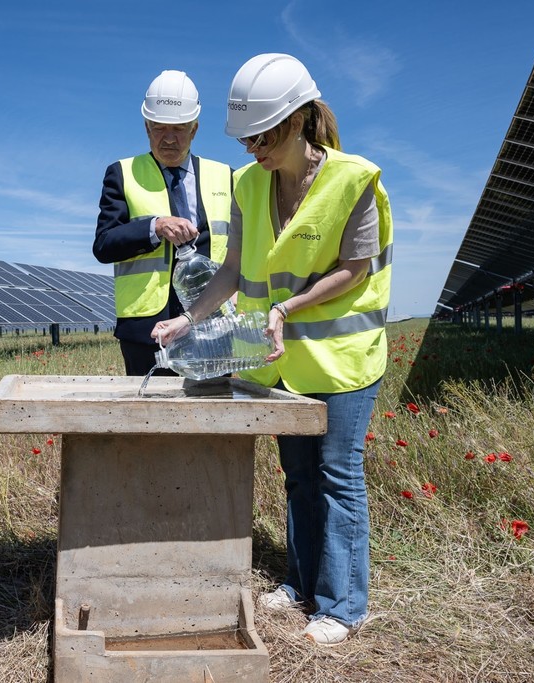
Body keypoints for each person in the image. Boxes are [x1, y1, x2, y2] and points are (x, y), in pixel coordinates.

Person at [152, 53, 393, 645]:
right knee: (298, 476)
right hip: (285, 361)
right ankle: (301, 583)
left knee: (337, 475)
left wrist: (286, 308)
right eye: (248, 138)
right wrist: (190, 318)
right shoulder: (249, 184)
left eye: (266, 134)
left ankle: (342, 606)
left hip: (345, 361)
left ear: (301, 119)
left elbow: (355, 270)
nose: (255, 147)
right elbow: (234, 266)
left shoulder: (353, 179)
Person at [93, 70, 233, 376]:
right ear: (146, 127)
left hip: (212, 324)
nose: (169, 138)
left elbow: (241, 248)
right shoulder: (122, 173)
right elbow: (104, 245)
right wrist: (153, 228)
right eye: (159, 128)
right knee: (149, 421)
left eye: (180, 129)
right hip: (146, 331)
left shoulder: (226, 175)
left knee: (212, 418)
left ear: (195, 129)